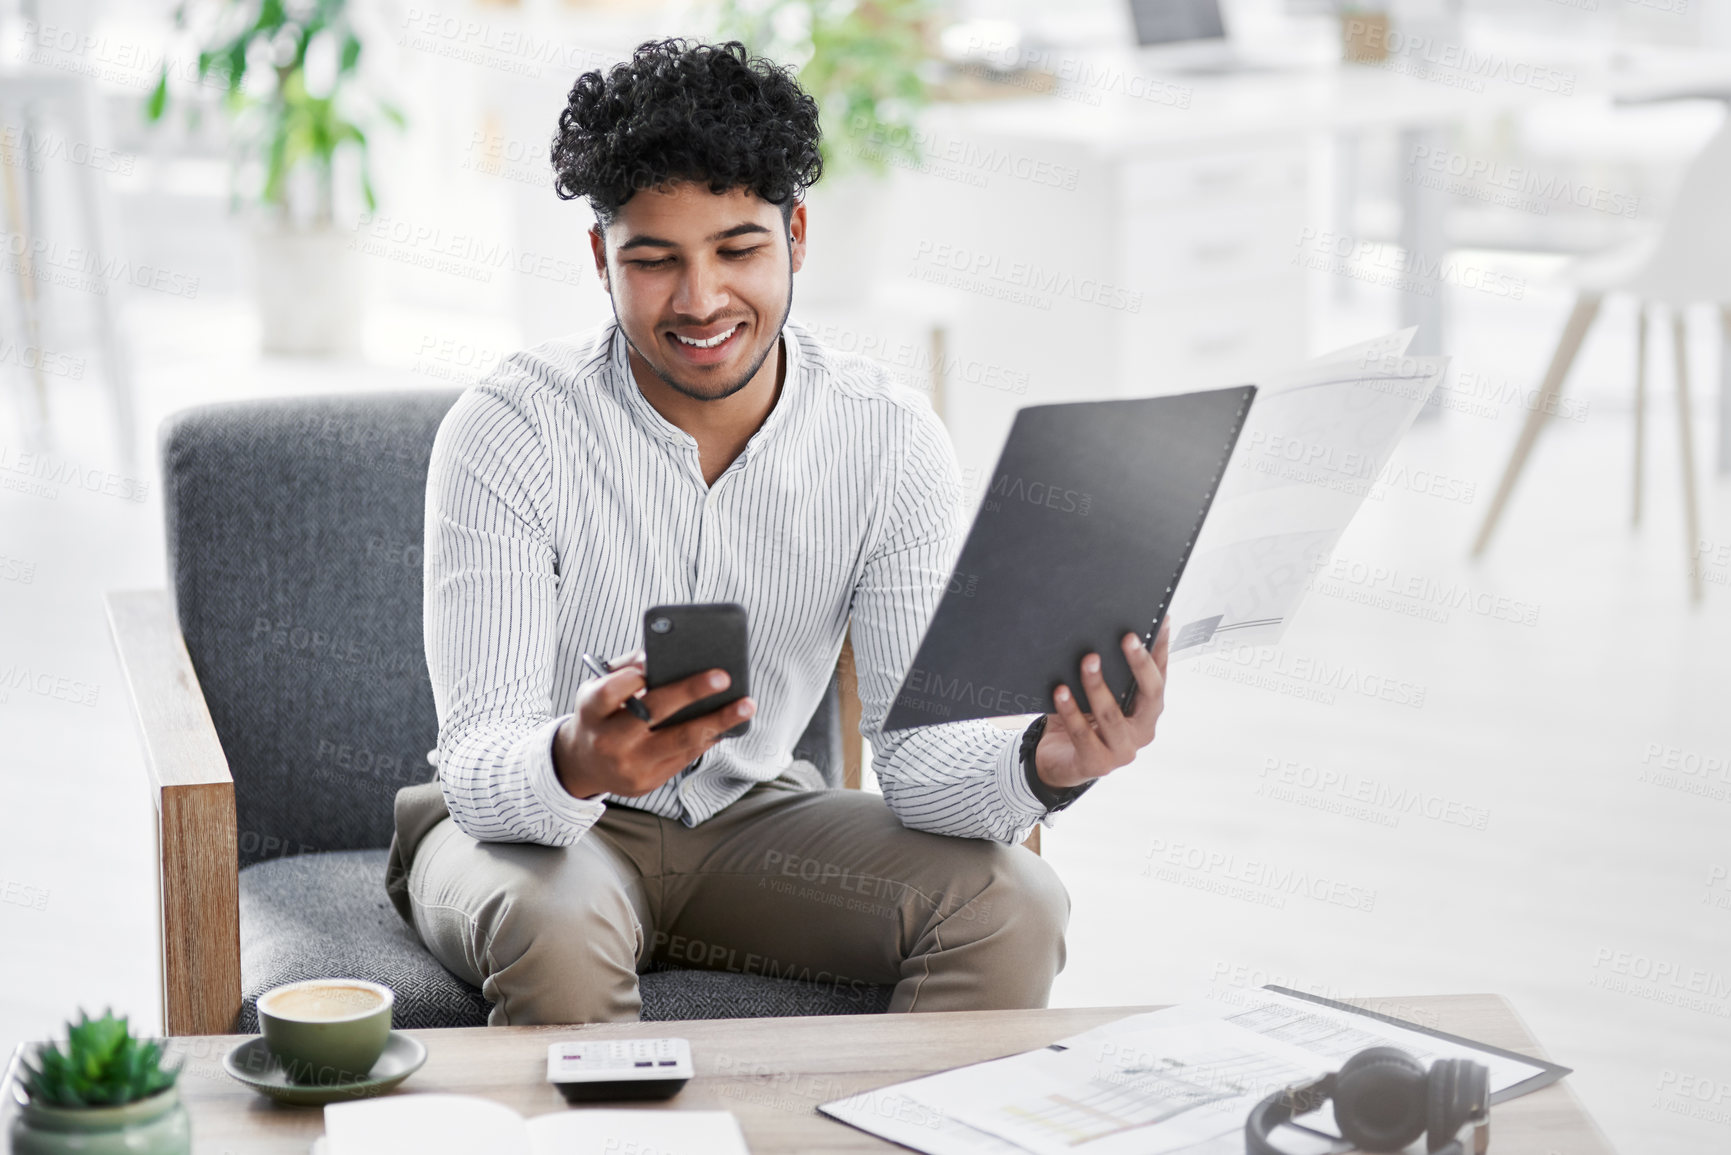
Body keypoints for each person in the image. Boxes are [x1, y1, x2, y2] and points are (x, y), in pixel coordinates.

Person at [384, 37, 1172, 1026]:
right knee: (561, 927)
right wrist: (576, 758)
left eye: (738, 250)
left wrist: (1047, 765)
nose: (702, 300)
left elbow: (923, 765)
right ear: (600, 257)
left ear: (797, 233)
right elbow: (479, 759)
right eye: (654, 260)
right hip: (529, 836)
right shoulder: (509, 431)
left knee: (1015, 904)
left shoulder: (886, 440)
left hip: (749, 819)